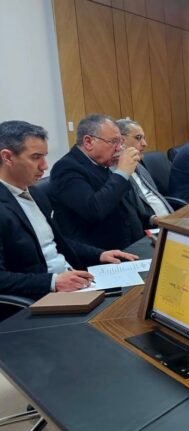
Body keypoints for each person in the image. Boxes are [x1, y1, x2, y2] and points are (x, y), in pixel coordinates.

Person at [0, 120, 136, 300]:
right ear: (7, 157)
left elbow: (58, 242)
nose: (44, 166)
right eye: (35, 157)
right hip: (39, 298)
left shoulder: (35, 193)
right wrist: (52, 282)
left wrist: (100, 254)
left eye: (44, 156)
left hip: (72, 280)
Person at [50, 114, 150, 250]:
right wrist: (122, 173)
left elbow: (124, 207)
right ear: (88, 142)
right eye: (114, 142)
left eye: (120, 142)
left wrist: (151, 219)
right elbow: (94, 210)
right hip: (102, 252)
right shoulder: (66, 168)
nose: (119, 148)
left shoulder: (101, 163)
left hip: (132, 242)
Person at [117, 118, 174, 222]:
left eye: (144, 138)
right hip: (151, 225)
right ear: (121, 140)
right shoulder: (116, 175)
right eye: (138, 138)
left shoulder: (139, 165)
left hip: (168, 220)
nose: (144, 143)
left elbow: (155, 196)